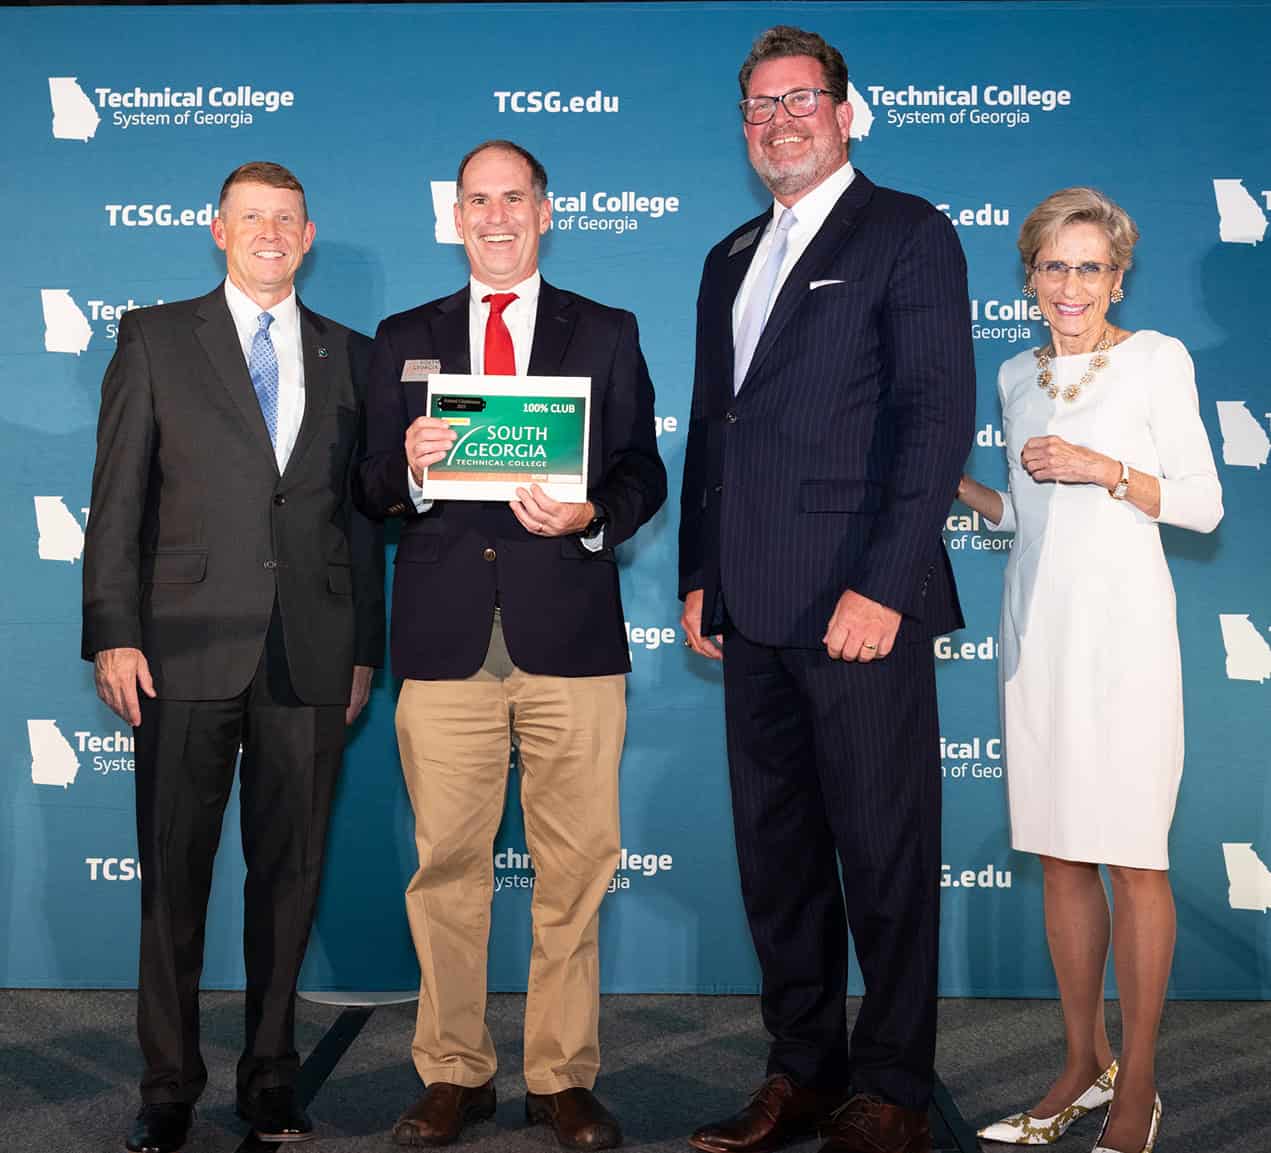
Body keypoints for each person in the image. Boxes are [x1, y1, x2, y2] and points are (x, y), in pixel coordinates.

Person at [679, 26, 975, 1153]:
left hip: (860, 609)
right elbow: (720, 427)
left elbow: (932, 417)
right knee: (778, 861)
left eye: (801, 99)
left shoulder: (905, 231)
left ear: (845, 112)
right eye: (759, 106)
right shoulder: (727, 255)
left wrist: (884, 585)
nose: (779, 120)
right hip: (749, 610)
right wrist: (699, 573)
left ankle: (891, 1085)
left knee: (885, 854)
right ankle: (801, 1069)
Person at [357, 139, 665, 1151]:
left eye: (512, 199)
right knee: (445, 865)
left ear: (545, 211)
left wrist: (588, 515)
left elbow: (640, 473)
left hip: (570, 637)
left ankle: (561, 1078)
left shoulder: (606, 330)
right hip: (445, 644)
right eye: (476, 201)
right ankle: (453, 1072)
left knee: (575, 866)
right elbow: (365, 490)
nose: (494, 216)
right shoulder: (404, 336)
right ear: (455, 217)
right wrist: (405, 469)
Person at [82, 160, 385, 1151]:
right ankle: (167, 1086)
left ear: (306, 236)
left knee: (288, 876)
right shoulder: (157, 337)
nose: (268, 232)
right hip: (178, 651)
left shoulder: (354, 354)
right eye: (250, 216)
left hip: (311, 651)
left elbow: (357, 520)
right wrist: (114, 629)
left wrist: (361, 649)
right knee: (172, 875)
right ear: (218, 229)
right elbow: (118, 496)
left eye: (285, 219)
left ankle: (268, 1078)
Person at [960, 187, 1221, 1153]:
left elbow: (1201, 505)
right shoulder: (1011, 374)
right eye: (1053, 265)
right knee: (1062, 857)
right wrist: (952, 484)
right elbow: (1025, 519)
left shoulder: (1156, 359)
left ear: (1117, 276)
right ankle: (1080, 1063)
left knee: (1133, 859)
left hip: (1125, 643)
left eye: (1090, 267)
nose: (1070, 284)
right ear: (1029, 275)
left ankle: (1137, 1086)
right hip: (1036, 639)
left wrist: (1101, 466)